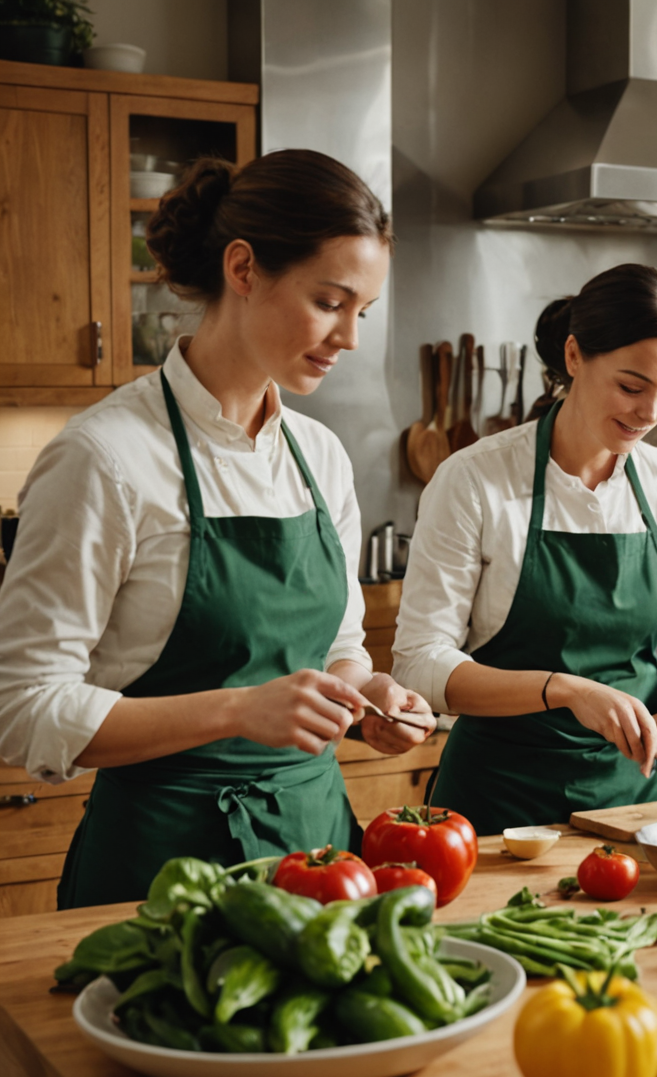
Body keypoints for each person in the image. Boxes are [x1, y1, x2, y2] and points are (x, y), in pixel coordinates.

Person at [0, 150, 435, 908]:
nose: (350, 338)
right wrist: (238, 710)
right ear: (242, 269)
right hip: (160, 873)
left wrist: (369, 697)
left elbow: (339, 648)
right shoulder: (105, 457)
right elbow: (24, 710)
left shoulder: (319, 456)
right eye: (329, 302)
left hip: (319, 859)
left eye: (362, 311)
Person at [393, 264, 657, 835]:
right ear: (573, 356)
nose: (650, 414)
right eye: (631, 387)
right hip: (498, 806)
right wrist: (563, 690)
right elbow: (419, 664)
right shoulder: (474, 479)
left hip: (634, 807)